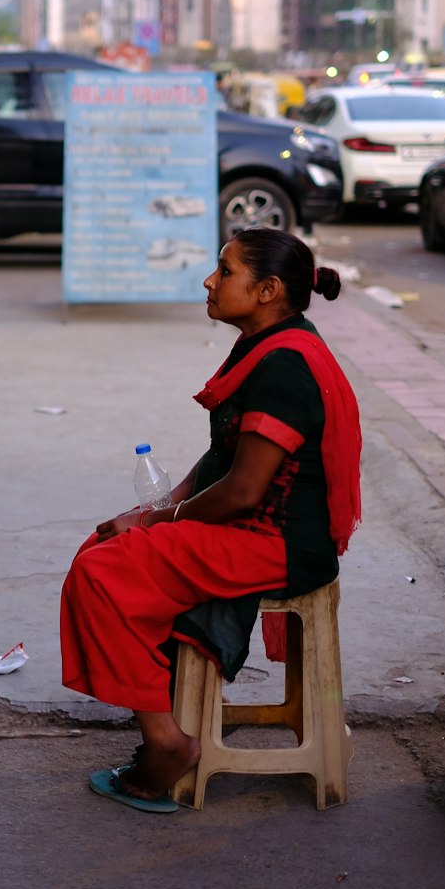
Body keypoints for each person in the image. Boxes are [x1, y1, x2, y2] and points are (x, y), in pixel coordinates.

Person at [60, 228, 362, 814]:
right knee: (99, 548)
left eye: (225, 271)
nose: (209, 280)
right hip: (250, 528)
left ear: (269, 290)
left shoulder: (286, 366)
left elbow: (244, 490)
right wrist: (153, 511)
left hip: (275, 541)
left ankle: (167, 744)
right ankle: (166, 708)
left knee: (104, 574)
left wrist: (159, 521)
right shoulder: (266, 343)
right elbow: (226, 454)